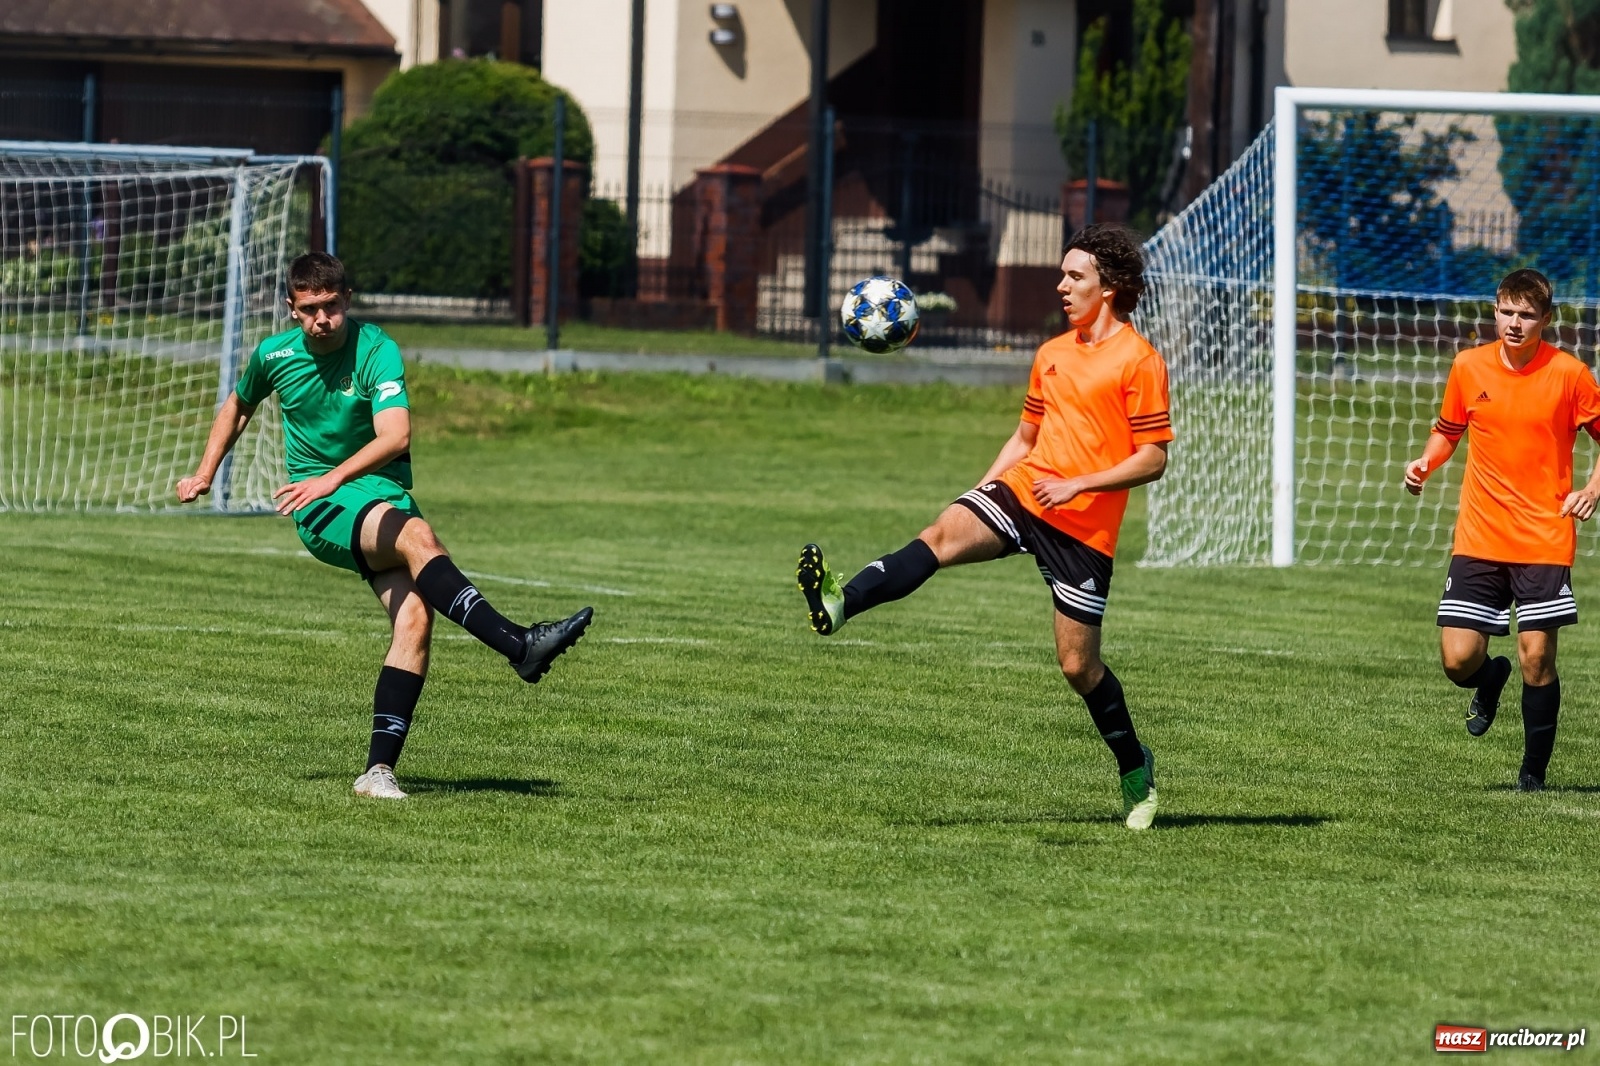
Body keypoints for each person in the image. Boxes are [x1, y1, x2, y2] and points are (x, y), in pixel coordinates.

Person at [796, 223, 1174, 829]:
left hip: (1083, 529)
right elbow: (1026, 437)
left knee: (1079, 668)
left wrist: (1079, 485)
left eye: (1075, 276)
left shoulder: (1140, 361)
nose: (1062, 285)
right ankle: (842, 603)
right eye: (1063, 273)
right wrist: (980, 488)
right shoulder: (1052, 354)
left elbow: (1153, 458)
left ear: (1109, 288)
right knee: (940, 538)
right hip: (1026, 491)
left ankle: (1135, 765)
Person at [176, 252, 592, 800]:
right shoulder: (273, 355)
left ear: (347, 299)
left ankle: (377, 773)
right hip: (320, 507)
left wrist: (338, 476)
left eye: (331, 307)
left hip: (378, 493)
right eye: (309, 310)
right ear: (291, 310)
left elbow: (395, 437)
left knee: (416, 620)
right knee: (419, 538)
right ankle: (519, 644)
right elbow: (238, 404)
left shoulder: (376, 349)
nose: (322, 319)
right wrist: (207, 471)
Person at [1404, 268, 1600, 791]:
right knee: (1457, 658)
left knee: (1536, 656)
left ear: (1546, 319)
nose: (1515, 323)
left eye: (1527, 315)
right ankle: (1489, 678)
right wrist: (1425, 462)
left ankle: (1532, 773)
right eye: (1507, 311)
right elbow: (1447, 432)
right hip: (1480, 535)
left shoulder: (1570, 374)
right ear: (1495, 310)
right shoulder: (1469, 367)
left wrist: (1592, 489)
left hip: (1543, 537)